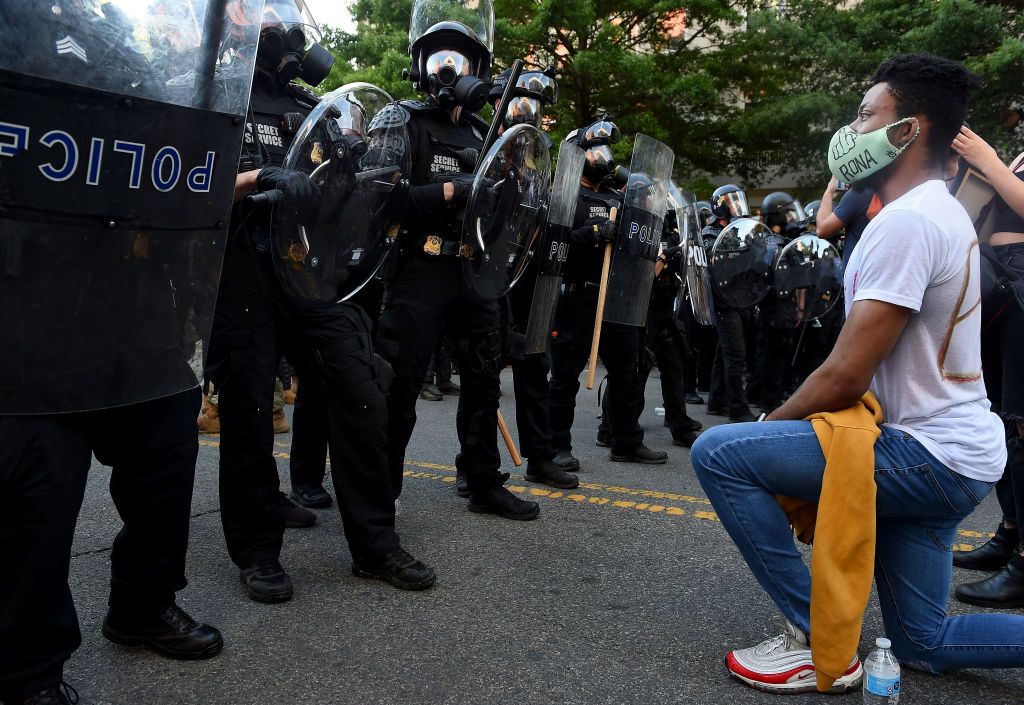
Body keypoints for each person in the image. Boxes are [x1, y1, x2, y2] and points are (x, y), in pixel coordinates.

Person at [691, 53, 1024, 693]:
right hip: (955, 452)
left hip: (927, 454)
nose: (851, 128)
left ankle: (818, 637)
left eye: (866, 114)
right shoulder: (934, 210)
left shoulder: (909, 223)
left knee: (723, 454)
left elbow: (844, 373)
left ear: (909, 129)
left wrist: (767, 427)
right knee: (921, 642)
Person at [0, 2, 246, 702]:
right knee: (41, 481)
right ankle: (25, 671)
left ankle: (140, 605)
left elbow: (164, 149)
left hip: (119, 296)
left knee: (169, 435)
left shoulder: (116, 47)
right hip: (23, 299)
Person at [210, 0, 435, 604]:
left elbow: (341, 205)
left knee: (361, 389)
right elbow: (183, 185)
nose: (278, 23)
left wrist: (359, 179)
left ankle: (375, 544)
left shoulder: (313, 110)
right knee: (251, 410)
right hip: (241, 276)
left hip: (308, 275)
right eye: (258, 12)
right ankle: (257, 549)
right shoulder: (210, 93)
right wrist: (256, 180)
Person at [375, 0, 541, 520]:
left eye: (463, 60)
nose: (451, 69)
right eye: (441, 58)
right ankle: (379, 495)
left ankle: (482, 481)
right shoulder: (402, 120)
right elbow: (381, 197)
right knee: (400, 387)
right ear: (420, 63)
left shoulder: (481, 135)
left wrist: (508, 192)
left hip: (474, 272)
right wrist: (450, 189)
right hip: (420, 271)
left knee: (484, 383)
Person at [547, 119, 668, 471]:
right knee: (565, 376)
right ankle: (557, 446)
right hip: (577, 298)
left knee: (627, 372)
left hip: (615, 297)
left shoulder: (618, 198)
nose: (604, 157)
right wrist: (591, 232)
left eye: (606, 150)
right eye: (595, 150)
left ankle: (626, 440)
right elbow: (554, 246)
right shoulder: (566, 196)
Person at [489, 66, 580, 490]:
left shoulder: (535, 163)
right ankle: (473, 465)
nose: (531, 115)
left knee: (534, 363)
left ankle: (540, 457)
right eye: (523, 104)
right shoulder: (485, 149)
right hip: (488, 273)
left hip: (528, 275)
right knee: (483, 373)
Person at [949, 125, 1024, 607]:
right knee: (1001, 418)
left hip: (1019, 277)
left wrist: (991, 163)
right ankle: (1010, 535)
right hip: (999, 278)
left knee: (1019, 424)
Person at [704, 184, 757, 423]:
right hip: (723, 302)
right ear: (720, 206)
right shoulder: (710, 235)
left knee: (722, 353)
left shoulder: (740, 232)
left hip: (740, 299)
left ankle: (717, 401)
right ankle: (738, 409)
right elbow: (715, 265)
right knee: (735, 355)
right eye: (731, 200)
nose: (736, 205)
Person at [816, 177, 880, 270]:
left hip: (859, 274)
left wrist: (829, 192)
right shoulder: (890, 190)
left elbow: (821, 230)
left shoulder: (859, 193)